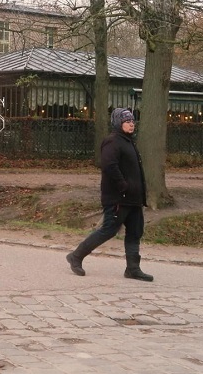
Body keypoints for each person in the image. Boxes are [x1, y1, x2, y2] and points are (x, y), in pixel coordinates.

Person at [65, 107, 153, 281]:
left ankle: (133, 268)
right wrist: (123, 186)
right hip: (118, 198)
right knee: (108, 230)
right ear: (118, 123)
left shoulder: (128, 142)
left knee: (135, 232)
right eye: (127, 121)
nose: (131, 124)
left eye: (132, 121)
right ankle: (76, 256)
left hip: (134, 199)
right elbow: (109, 165)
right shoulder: (112, 141)